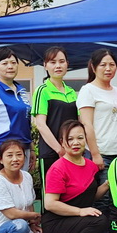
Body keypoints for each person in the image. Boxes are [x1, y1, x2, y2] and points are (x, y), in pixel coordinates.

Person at [42, 120, 115, 233]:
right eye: (70, 139)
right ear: (62, 142)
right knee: (99, 219)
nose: (76, 142)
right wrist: (80, 211)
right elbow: (50, 204)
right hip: (56, 224)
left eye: (80, 138)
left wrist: (109, 183)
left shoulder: (91, 166)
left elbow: (91, 195)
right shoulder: (58, 168)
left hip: (78, 222)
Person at [78, 49, 117, 189]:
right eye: (103, 65)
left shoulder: (116, 90)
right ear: (93, 67)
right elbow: (86, 124)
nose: (108, 69)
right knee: (104, 196)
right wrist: (95, 154)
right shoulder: (88, 90)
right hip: (101, 153)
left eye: (112, 64)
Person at [32, 46, 78, 176]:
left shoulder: (72, 92)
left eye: (62, 61)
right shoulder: (42, 91)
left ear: (67, 64)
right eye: (53, 62)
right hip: (51, 154)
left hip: (72, 153)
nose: (58, 66)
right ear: (45, 65)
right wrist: (60, 150)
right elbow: (40, 124)